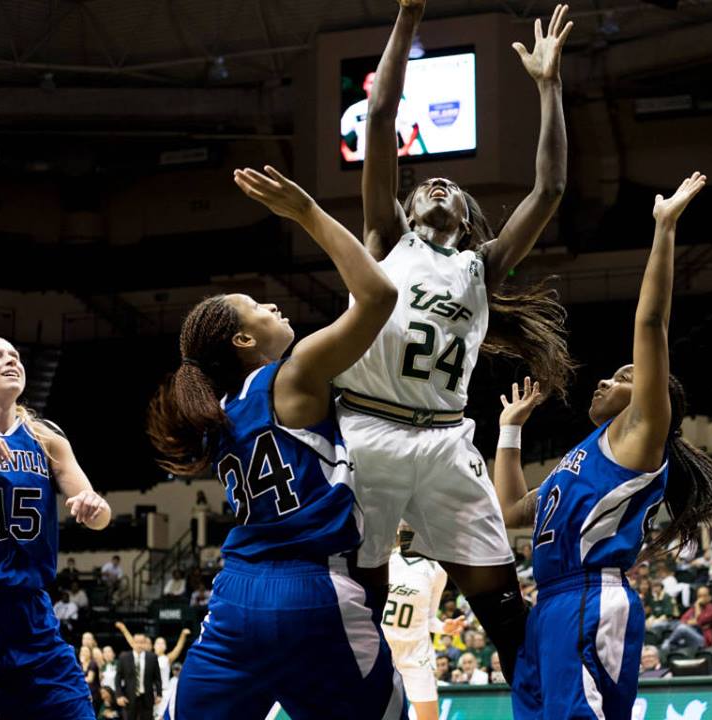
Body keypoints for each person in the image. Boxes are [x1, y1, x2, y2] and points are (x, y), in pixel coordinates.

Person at [340, 0, 576, 686]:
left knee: (506, 615)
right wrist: (408, 20)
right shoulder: (386, 239)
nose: (436, 184)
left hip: (446, 442)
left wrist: (548, 85)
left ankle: (542, 704)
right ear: (407, 210)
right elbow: (380, 118)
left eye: (452, 187)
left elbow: (551, 186)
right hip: (369, 433)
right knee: (362, 610)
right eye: (426, 184)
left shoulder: (481, 266)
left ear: (469, 220)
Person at [146, 164, 404, 720]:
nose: (274, 307)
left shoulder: (218, 414)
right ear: (243, 339)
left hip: (236, 595)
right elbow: (380, 295)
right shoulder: (290, 375)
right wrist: (306, 211)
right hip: (312, 588)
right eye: (259, 307)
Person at [494, 173, 712, 720]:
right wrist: (510, 431)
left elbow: (650, 321)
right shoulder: (584, 453)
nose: (605, 380)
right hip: (550, 603)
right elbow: (512, 512)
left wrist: (665, 228)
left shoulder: (641, 434)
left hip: (590, 598)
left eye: (624, 376)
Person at [0, 336, 112, 719]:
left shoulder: (46, 438)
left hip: (29, 608)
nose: (11, 360)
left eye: (15, 356)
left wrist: (94, 506)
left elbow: (99, 515)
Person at [382, 524, 465, 720]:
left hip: (416, 653)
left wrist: (445, 627)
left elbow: (428, 618)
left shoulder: (437, 570)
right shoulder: (384, 560)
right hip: (383, 648)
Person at [340, 71, 421, 162]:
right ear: (364, 85)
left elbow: (415, 126)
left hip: (391, 161)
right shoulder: (355, 110)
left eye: (379, 82)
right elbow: (339, 133)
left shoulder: (398, 105)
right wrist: (347, 153)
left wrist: (405, 149)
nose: (375, 85)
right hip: (364, 162)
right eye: (371, 82)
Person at [114, 621, 191, 698]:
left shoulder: (167, 658)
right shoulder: (149, 658)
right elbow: (133, 643)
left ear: (166, 647)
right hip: (150, 692)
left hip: (165, 692)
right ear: (153, 646)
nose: (160, 645)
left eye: (162, 643)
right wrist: (123, 629)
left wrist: (183, 635)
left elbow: (178, 649)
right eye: (158, 643)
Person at [117, 633, 162, 720]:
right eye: (137, 642)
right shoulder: (124, 657)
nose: (139, 645)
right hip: (129, 697)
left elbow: (157, 678)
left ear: (145, 643)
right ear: (132, 642)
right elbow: (118, 678)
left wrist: (159, 694)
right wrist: (119, 695)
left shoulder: (152, 657)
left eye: (142, 642)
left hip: (147, 697)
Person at [663, 585, 712, 651]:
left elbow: (699, 621)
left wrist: (697, 606)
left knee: (682, 628)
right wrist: (694, 622)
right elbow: (683, 620)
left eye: (704, 596)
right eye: (699, 596)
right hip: (690, 637)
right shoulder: (692, 609)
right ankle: (669, 644)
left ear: (709, 597)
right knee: (665, 641)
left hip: (703, 640)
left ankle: (670, 643)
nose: (701, 599)